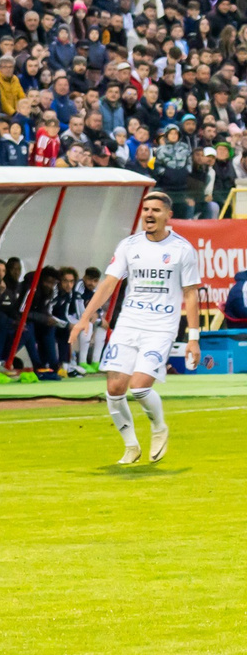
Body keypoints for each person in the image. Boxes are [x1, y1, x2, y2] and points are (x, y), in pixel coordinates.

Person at [69, 189, 206, 465]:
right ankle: (131, 445)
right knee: (114, 388)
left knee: (140, 387)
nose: (149, 215)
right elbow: (109, 283)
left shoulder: (182, 250)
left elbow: (190, 294)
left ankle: (158, 427)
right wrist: (85, 317)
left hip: (161, 327)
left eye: (156, 210)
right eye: (146, 210)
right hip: (129, 324)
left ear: (169, 216)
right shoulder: (129, 246)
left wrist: (193, 338)